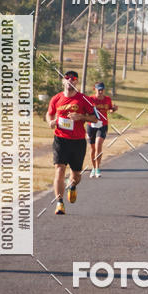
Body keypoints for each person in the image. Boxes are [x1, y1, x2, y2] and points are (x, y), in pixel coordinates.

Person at [46, 71, 98, 215]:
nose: (69, 81)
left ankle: (72, 186)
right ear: (63, 81)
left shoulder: (84, 99)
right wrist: (50, 121)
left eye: (73, 79)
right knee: (60, 169)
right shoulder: (56, 98)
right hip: (60, 139)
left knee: (76, 175)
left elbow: (95, 119)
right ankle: (59, 203)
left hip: (78, 141)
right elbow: (49, 113)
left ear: (76, 82)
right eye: (67, 78)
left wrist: (80, 116)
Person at [86, 81, 117, 178]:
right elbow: (85, 110)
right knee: (93, 148)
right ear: (94, 89)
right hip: (91, 125)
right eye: (98, 89)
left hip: (103, 125)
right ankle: (93, 168)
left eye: (102, 89)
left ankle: (98, 168)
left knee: (99, 145)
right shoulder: (90, 99)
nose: (100, 91)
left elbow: (110, 109)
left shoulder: (107, 99)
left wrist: (113, 109)